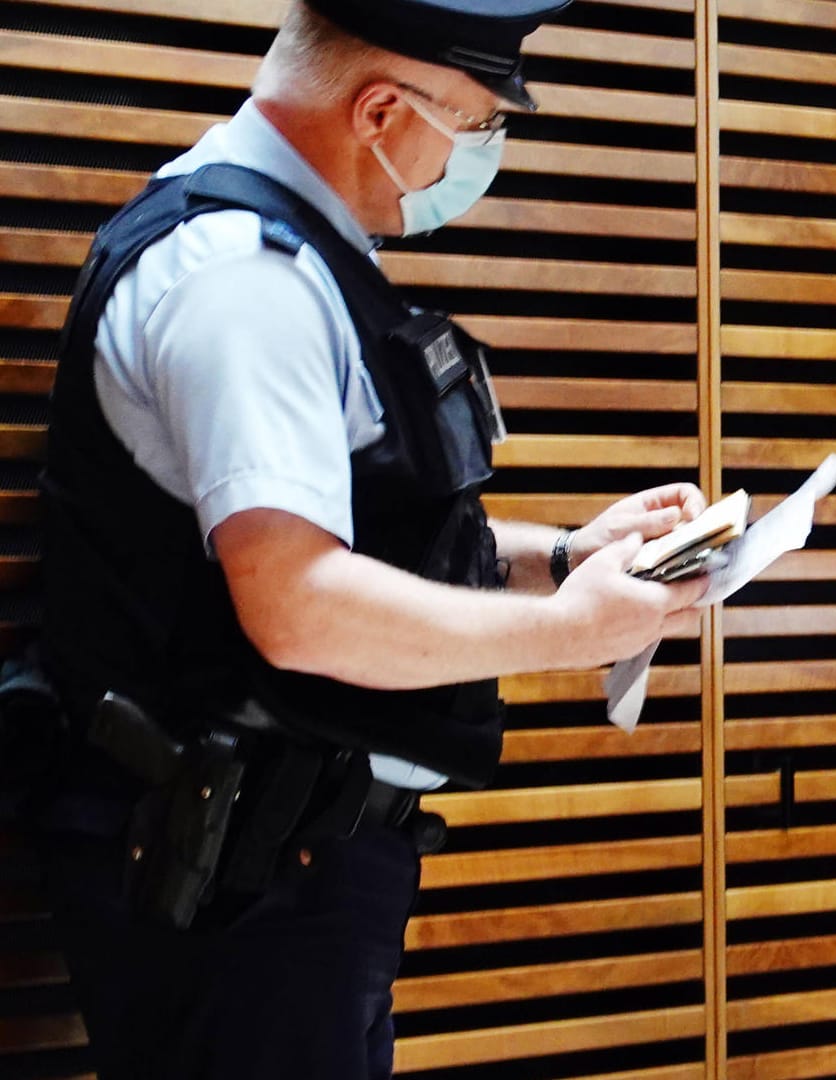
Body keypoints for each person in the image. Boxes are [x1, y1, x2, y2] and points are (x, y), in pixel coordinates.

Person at [29, 2, 708, 1077]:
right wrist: (567, 632)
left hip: (283, 864)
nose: (482, 156)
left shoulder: (293, 254)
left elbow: (353, 534)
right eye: (479, 125)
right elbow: (298, 604)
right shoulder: (239, 280)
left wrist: (565, 558)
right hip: (230, 891)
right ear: (383, 111)